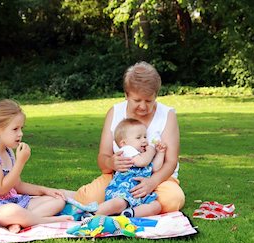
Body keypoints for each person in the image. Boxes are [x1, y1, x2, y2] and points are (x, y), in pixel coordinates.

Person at [74, 61, 185, 213]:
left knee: (172, 200)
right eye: (137, 100)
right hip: (119, 179)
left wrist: (151, 183)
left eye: (149, 100)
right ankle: (133, 206)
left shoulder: (167, 115)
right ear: (126, 95)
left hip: (159, 179)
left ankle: (125, 207)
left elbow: (171, 162)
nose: (143, 106)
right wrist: (111, 163)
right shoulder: (115, 112)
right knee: (86, 198)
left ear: (156, 96)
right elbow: (103, 158)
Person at [0, 99, 72, 233]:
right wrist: (20, 162)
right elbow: (2, 189)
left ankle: (20, 222)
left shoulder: (8, 151)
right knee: (13, 211)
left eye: (21, 128)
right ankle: (45, 220)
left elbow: (18, 185)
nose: (20, 133)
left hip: (10, 201)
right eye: (15, 129)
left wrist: (45, 190)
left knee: (57, 200)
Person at [95, 118, 165, 217]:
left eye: (145, 136)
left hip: (139, 194)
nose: (144, 140)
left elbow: (155, 168)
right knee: (120, 203)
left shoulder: (143, 154)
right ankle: (94, 213)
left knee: (156, 206)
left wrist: (161, 153)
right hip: (123, 191)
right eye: (138, 138)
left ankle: (130, 213)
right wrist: (151, 151)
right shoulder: (127, 150)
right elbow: (142, 162)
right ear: (123, 143)